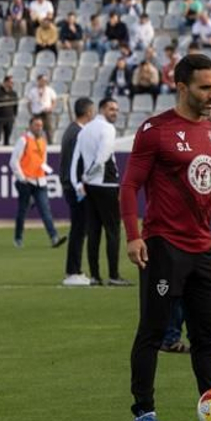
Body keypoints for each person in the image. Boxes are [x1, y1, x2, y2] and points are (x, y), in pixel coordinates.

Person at [119, 53, 211, 421]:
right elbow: (129, 185)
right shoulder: (155, 130)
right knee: (153, 331)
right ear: (182, 87)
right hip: (163, 246)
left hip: (201, 249)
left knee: (205, 335)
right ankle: (143, 412)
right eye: (204, 87)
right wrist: (133, 236)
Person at [75, 96, 129, 287]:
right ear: (102, 109)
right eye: (112, 109)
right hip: (106, 184)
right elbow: (102, 157)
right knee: (113, 231)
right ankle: (113, 275)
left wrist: (84, 178)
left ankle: (95, 276)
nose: (115, 113)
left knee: (94, 231)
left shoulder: (85, 129)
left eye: (116, 109)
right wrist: (89, 174)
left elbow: (79, 158)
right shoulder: (107, 128)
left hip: (91, 186)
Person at [10, 114, 67, 249]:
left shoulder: (42, 141)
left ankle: (54, 237)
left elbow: (43, 160)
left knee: (45, 210)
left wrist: (44, 170)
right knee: (22, 211)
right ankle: (18, 238)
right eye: (36, 125)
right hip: (26, 182)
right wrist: (22, 177)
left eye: (41, 125)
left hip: (40, 181)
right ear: (30, 126)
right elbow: (14, 161)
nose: (39, 127)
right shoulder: (23, 140)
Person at [59, 97, 95, 286]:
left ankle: (75, 270)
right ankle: (73, 271)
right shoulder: (78, 133)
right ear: (88, 112)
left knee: (80, 228)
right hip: (76, 187)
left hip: (70, 185)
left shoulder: (71, 130)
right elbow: (77, 163)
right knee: (79, 229)